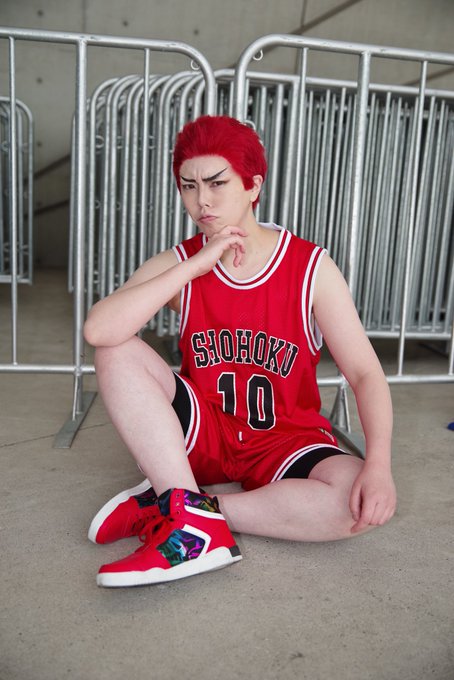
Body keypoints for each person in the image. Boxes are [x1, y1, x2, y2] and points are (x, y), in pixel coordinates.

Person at [84, 115, 396, 588]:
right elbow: (99, 329)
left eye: (217, 183)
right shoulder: (185, 260)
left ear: (253, 186)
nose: (202, 201)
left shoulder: (310, 267)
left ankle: (185, 509)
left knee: (357, 502)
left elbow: (365, 374)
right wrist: (194, 267)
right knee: (115, 348)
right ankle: (189, 522)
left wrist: (380, 465)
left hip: (284, 440)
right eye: (188, 186)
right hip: (204, 433)